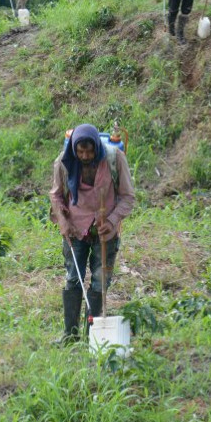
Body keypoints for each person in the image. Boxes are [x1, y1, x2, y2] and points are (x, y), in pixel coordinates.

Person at [49, 124, 136, 344]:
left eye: (89, 151)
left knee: (100, 282)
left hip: (104, 230)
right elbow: (57, 195)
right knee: (72, 278)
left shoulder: (114, 159)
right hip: (75, 228)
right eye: (81, 152)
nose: (85, 156)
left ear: (96, 147)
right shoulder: (64, 161)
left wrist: (113, 220)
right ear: (75, 150)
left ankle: (93, 336)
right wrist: (62, 220)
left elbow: (128, 197)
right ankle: (70, 334)